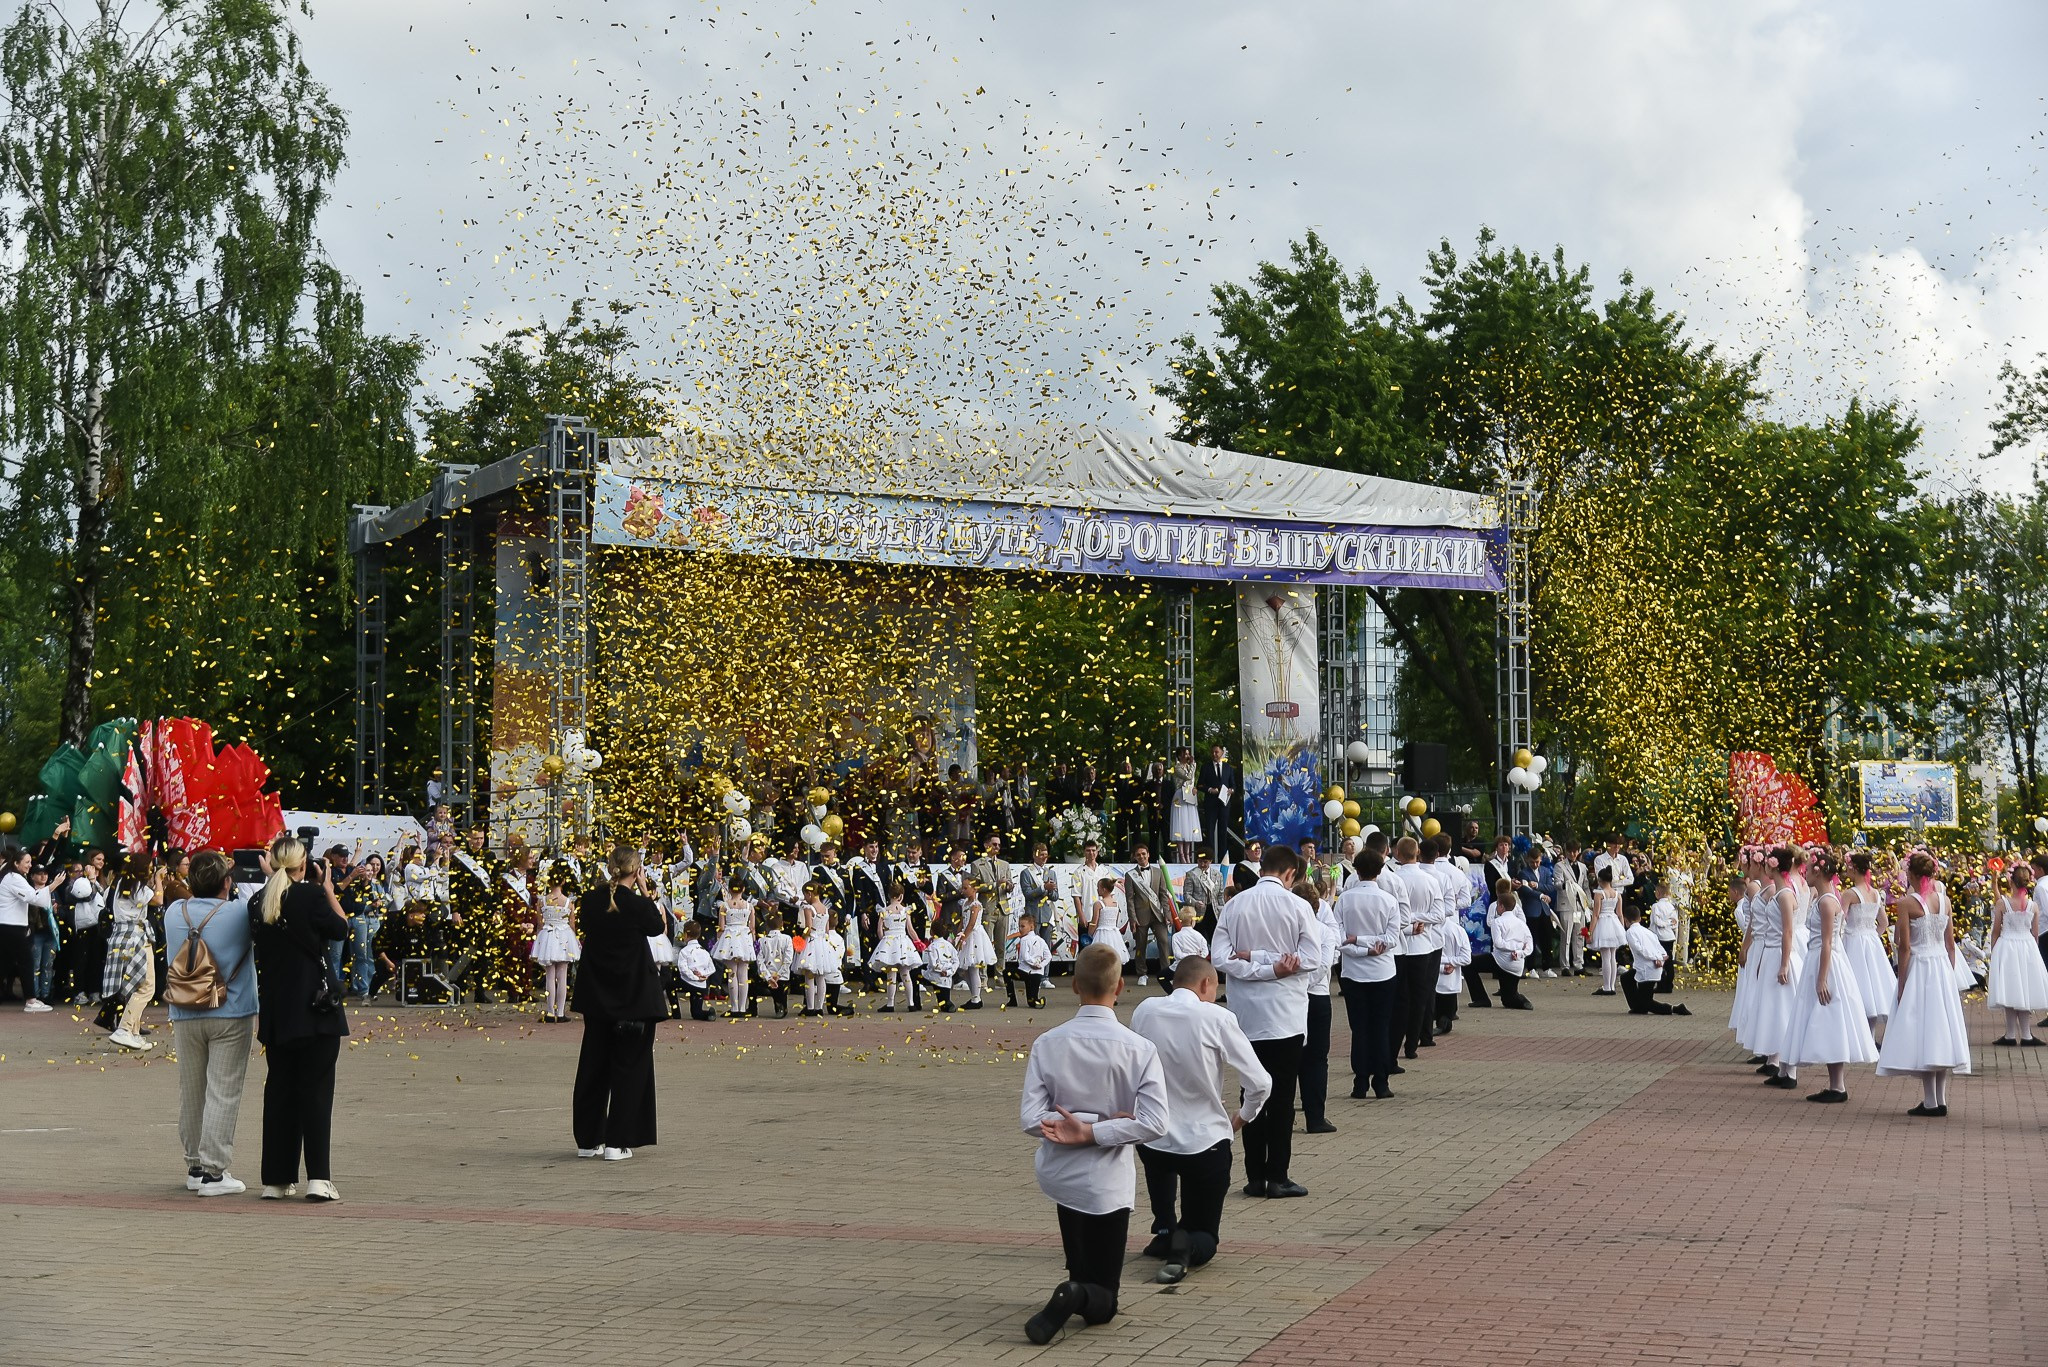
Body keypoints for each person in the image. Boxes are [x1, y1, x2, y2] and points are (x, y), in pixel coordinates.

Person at [1016, 942, 1169, 1344]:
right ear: (1119, 988)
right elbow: (1156, 1123)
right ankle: (1076, 1295)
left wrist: (1077, 1126)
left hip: (1063, 1173)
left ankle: (1074, 1289)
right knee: (1106, 1300)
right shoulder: (1139, 1048)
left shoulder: (1049, 1042)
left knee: (1081, 1262)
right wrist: (1098, 1129)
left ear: (1073, 986)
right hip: (1107, 1181)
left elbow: (1030, 1118)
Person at [1129, 955, 1271, 1284]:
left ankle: (1164, 1227)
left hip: (1153, 1134)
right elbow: (1261, 1081)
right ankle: (1186, 1244)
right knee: (1205, 1233)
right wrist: (1242, 1116)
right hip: (1203, 1140)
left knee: (1157, 1160)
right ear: (1206, 984)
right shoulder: (1217, 1017)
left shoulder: (1145, 1010)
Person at [1211, 844, 1321, 1199]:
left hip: (1246, 1016)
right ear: (1290, 873)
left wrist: (1256, 962)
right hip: (1285, 1015)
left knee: (1251, 1091)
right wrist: (1273, 967)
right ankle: (1278, 1175)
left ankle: (1255, 1175)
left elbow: (1219, 958)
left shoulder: (1234, 905)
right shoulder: (1298, 905)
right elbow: (1312, 960)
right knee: (1282, 1097)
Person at [249, 835, 349, 1201]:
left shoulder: (258, 902)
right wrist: (326, 888)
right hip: (316, 1010)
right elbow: (341, 929)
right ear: (304, 865)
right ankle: (318, 1179)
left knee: (279, 1093)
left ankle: (276, 1179)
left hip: (277, 1013)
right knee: (317, 1093)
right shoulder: (310, 896)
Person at [164, 851, 258, 1196]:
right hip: (231, 1011)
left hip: (185, 1011)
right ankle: (215, 1173)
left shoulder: (175, 912)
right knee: (224, 1090)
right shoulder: (238, 912)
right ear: (227, 883)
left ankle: (194, 1165)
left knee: (191, 1089)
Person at [571, 847, 669, 1160]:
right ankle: (617, 1141)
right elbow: (657, 926)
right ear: (636, 870)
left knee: (593, 1065)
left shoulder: (592, 899)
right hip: (632, 997)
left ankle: (588, 1140)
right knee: (630, 1067)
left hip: (598, 995)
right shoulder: (638, 905)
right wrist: (643, 889)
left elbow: (591, 923)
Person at [1876, 851, 1971, 1117]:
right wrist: (1948, 975)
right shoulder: (1945, 900)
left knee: (1923, 1031)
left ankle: (1931, 1101)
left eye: (1908, 872)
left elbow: (1904, 947)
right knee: (1939, 1029)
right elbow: (1951, 944)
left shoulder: (1907, 903)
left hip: (1920, 967)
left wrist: (1902, 982)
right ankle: (1939, 1099)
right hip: (1941, 966)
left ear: (1915, 875)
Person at [1775, 849, 1870, 1101]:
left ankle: (1837, 1086)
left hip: (1825, 963)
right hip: (1818, 959)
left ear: (1818, 872)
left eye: (1808, 870)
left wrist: (1822, 978)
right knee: (1828, 1019)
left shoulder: (1828, 901)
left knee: (1830, 1016)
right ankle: (1835, 1084)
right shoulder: (1826, 898)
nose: (1804, 874)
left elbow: (1828, 941)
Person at [1337, 848, 1400, 1099]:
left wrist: (1358, 943)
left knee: (1360, 1028)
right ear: (1380, 870)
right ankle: (1381, 1082)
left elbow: (1340, 939)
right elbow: (1391, 939)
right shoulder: (1388, 901)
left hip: (1353, 971)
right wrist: (1370, 947)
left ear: (1356, 870)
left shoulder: (1344, 899)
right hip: (1382, 970)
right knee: (1380, 1026)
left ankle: (1360, 1081)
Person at [1742, 846, 1806, 1082]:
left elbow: (1788, 931)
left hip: (1780, 954)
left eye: (1768, 863)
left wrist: (1784, 964)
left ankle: (1790, 1071)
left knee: (1783, 1010)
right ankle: (1781, 1067)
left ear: (1774, 866)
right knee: (1772, 1009)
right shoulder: (1778, 893)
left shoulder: (1785, 894)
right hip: (1769, 954)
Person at [103, 854, 163, 1050]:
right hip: (136, 937)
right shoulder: (138, 886)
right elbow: (159, 900)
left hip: (120, 937)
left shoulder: (120, 883)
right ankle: (125, 1029)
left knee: (133, 985)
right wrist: (159, 881)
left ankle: (134, 1033)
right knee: (146, 987)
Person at [1986, 867, 2048, 1046]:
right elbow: (2035, 933)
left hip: (2007, 946)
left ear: (2010, 881)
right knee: (2025, 988)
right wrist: (2032, 949)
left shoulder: (2003, 904)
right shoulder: (2033, 906)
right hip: (2027, 946)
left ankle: (2011, 1034)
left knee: (2011, 988)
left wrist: (1994, 950)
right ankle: (2026, 1034)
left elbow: (1995, 931)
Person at [0, 847, 55, 1011]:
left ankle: (31, 999)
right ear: (16, 863)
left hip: (9, 925)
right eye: (27, 862)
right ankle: (31, 1000)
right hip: (12, 926)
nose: (30, 865)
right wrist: (54, 885)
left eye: (30, 862)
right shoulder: (14, 877)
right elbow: (34, 898)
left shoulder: (13, 876)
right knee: (26, 962)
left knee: (4, 964)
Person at [1618, 904, 1693, 1019]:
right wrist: (1660, 959)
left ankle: (1675, 1008)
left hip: (1646, 969)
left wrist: (1655, 958)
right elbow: (1661, 950)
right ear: (1640, 918)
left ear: (1626, 920)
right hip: (1649, 967)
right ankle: (1637, 1007)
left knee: (1647, 1002)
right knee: (1626, 978)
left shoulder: (1630, 932)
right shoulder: (1648, 932)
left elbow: (1640, 950)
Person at [530, 867, 581, 1023]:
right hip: (564, 937)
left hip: (548, 936)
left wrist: (539, 939)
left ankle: (550, 1011)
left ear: (549, 881)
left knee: (550, 976)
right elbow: (572, 924)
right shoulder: (568, 902)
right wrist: (576, 939)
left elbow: (539, 923)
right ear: (563, 881)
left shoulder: (542, 900)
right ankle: (560, 1012)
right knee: (562, 976)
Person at [1123, 843, 1177, 987]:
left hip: (1158, 914)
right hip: (1141, 915)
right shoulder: (1130, 875)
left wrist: (1167, 914)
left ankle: (1166, 973)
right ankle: (1142, 973)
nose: (1141, 857)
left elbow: (1163, 895)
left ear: (1148, 854)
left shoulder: (1158, 872)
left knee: (1164, 942)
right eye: (1138, 855)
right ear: (1135, 857)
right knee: (1140, 945)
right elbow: (1129, 899)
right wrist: (1132, 918)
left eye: (1143, 854)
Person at [868, 886, 922, 1012]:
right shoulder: (905, 910)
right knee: (905, 974)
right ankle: (911, 1003)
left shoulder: (884, 911)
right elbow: (910, 929)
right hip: (903, 943)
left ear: (889, 895)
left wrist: (884, 941)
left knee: (891, 976)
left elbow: (879, 930)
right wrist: (917, 941)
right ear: (901, 896)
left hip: (889, 943)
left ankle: (890, 1004)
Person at [710, 883, 757, 1019]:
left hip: (730, 937)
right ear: (743, 889)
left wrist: (718, 943)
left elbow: (721, 927)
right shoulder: (749, 906)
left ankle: (734, 1007)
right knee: (743, 974)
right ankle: (742, 1007)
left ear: (729, 889)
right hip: (744, 937)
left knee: (732, 974)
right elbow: (752, 927)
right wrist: (752, 943)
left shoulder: (725, 906)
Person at [1487, 879, 1534, 1010]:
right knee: (1508, 999)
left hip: (1502, 961)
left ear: (1501, 906)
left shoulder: (1498, 921)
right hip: (1517, 963)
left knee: (1471, 965)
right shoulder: (1521, 924)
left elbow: (1498, 943)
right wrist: (1520, 952)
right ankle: (1518, 999)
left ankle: (1481, 998)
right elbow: (1529, 945)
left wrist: (1514, 948)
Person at [1554, 840, 1590, 976]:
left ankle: (1579, 964)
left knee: (1580, 934)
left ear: (1579, 851)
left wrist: (1588, 904)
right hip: (1566, 904)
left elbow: (1585, 886)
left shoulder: (1582, 866)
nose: (1573, 854)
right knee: (1566, 935)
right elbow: (1556, 883)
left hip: (1579, 905)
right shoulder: (1560, 866)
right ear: (1566, 851)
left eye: (1575, 851)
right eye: (1570, 852)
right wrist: (1565, 885)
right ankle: (1565, 965)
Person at [1196, 744, 1238, 861]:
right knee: (1210, 830)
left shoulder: (1228, 768)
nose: (1214, 755)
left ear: (1221, 753)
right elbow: (1200, 785)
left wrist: (1231, 790)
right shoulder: (1206, 767)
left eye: (1217, 752)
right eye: (1213, 752)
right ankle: (1210, 858)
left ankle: (1222, 858)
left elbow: (1233, 784)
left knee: (1223, 830)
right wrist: (1209, 789)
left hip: (1224, 803)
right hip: (1211, 803)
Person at [1179, 849, 1224, 944]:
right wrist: (1195, 902)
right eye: (1200, 861)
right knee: (1198, 940)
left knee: (1215, 940)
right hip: (1198, 912)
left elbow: (1220, 895)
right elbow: (1187, 895)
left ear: (1210, 861)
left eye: (1205, 862)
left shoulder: (1218, 875)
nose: (1202, 864)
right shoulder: (1191, 874)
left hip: (1214, 912)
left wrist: (1222, 911)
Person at [1169, 747, 1202, 863]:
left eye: (1188, 754)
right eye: (1185, 754)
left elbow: (1192, 780)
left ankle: (1188, 855)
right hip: (1180, 795)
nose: (1187, 756)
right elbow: (1187, 777)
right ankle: (1181, 855)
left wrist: (1194, 789)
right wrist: (1193, 765)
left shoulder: (1189, 767)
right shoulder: (1177, 767)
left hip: (1189, 795)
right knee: (1180, 824)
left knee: (1188, 826)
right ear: (1179, 756)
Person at [1648, 880, 1681, 993]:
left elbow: (1657, 922)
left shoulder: (1655, 906)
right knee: (1669, 961)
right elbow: (1675, 922)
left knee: (1659, 960)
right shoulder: (1671, 907)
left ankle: (1662, 984)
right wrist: (1669, 924)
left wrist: (1665, 923)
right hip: (1669, 936)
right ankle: (1669, 984)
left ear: (1657, 893)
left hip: (1659, 937)